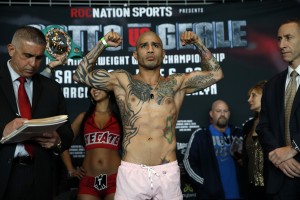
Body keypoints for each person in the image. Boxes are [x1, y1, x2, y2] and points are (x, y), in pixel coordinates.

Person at [73, 30, 223, 199]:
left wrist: (197, 42)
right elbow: (80, 75)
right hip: (132, 171)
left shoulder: (177, 83)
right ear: (135, 55)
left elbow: (216, 73)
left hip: (167, 172)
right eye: (144, 46)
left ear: (163, 54)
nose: (150, 50)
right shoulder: (122, 81)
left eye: (155, 45)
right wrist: (103, 43)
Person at [0, 26, 73, 200]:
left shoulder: (52, 89)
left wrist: (57, 141)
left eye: (39, 58)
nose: (33, 64)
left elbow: (67, 133)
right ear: (11, 50)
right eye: (27, 56)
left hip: (41, 177)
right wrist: (2, 130)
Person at [256, 18, 300, 199]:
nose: (282, 44)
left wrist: (294, 148)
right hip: (280, 178)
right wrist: (278, 156)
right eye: (279, 39)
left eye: (288, 38)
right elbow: (263, 126)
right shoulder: (272, 84)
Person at [60, 87, 123, 200]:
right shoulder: (84, 117)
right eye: (92, 87)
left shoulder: (120, 117)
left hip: (115, 179)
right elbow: (62, 144)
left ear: (109, 89)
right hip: (89, 180)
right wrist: (71, 170)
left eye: (99, 86)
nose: (94, 89)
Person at [183, 100, 243, 199]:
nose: (222, 114)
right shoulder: (200, 135)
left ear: (229, 113)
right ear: (211, 114)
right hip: (211, 195)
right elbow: (187, 162)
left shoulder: (239, 133)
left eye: (225, 111)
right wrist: (204, 183)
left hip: (239, 193)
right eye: (218, 111)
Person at [242, 80, 267, 200]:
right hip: (251, 188)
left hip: (271, 186)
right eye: (249, 96)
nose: (249, 100)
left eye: (254, 95)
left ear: (266, 97)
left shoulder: (276, 124)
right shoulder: (248, 126)